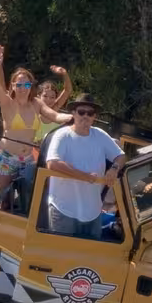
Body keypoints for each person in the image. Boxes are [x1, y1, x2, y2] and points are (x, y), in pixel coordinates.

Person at [0, 54, 75, 213]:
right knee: (5, 199)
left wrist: (71, 117)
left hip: (28, 159)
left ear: (31, 86)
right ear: (13, 86)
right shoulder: (7, 102)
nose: (23, 88)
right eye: (19, 84)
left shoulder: (36, 103)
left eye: (26, 84)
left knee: (29, 198)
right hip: (6, 157)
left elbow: (55, 115)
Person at [44, 95, 125, 240]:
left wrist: (114, 168)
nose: (85, 116)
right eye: (81, 112)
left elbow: (120, 156)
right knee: (62, 257)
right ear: (74, 113)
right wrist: (85, 177)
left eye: (90, 113)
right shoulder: (62, 135)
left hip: (93, 212)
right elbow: (53, 163)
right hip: (64, 211)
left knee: (91, 259)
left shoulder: (100, 135)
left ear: (94, 117)